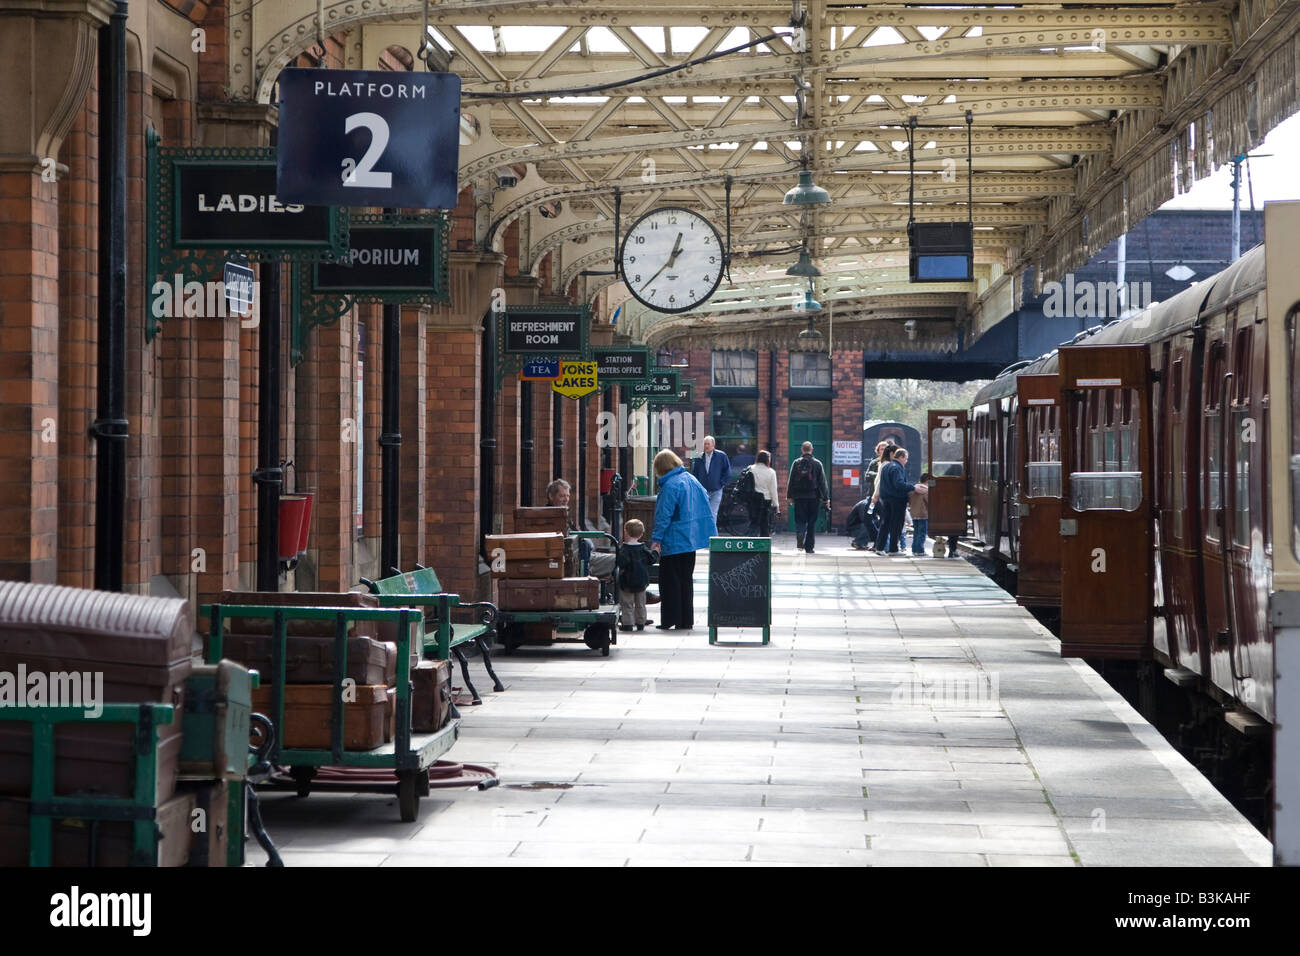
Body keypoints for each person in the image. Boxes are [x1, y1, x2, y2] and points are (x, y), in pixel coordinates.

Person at [650, 449, 716, 630]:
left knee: (669, 581)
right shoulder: (691, 480)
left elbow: (663, 516)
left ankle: (670, 619)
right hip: (691, 540)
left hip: (674, 540)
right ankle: (686, 619)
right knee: (686, 580)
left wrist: (656, 540)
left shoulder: (670, 485)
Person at [546, 478, 616, 580]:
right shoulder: (551, 516)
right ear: (551, 496)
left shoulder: (563, 514)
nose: (566, 499)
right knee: (619, 560)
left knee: (620, 559)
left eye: (568, 496)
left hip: (583, 556)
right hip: (577, 560)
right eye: (562, 496)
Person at [875, 448, 924, 555]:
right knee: (896, 525)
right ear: (901, 457)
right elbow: (899, 484)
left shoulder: (886, 466)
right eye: (906, 459)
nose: (906, 461)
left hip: (886, 499)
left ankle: (879, 548)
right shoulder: (897, 468)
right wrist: (913, 487)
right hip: (897, 500)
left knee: (885, 523)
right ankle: (893, 549)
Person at [786, 441, 830, 554]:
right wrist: (826, 498)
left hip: (799, 497)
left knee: (800, 520)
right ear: (812, 450)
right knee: (811, 522)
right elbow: (822, 482)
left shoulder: (796, 463)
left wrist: (789, 496)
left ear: (802, 450)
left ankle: (800, 535)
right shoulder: (817, 463)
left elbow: (791, 481)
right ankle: (809, 547)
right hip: (814, 497)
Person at [616, 518, 656, 631]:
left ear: (626, 532)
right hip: (641, 581)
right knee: (641, 603)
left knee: (627, 604)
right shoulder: (643, 548)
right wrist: (656, 551)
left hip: (627, 581)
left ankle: (628, 624)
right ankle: (641, 622)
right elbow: (652, 559)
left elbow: (621, 562)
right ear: (641, 534)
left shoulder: (624, 550)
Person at [691, 436, 731, 523]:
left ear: (713, 445)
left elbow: (727, 471)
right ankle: (703, 534)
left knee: (713, 514)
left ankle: (712, 535)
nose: (706, 446)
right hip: (702, 491)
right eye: (705, 444)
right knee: (702, 514)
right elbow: (695, 473)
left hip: (716, 490)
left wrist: (721, 484)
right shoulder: (699, 457)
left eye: (708, 444)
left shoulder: (721, 456)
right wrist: (697, 487)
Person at [748, 450, 780, 537]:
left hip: (752, 499)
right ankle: (763, 546)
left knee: (753, 523)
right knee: (765, 524)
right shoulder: (771, 472)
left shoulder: (750, 468)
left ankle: (750, 544)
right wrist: (776, 505)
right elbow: (773, 490)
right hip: (765, 500)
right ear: (767, 459)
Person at [909, 471, 931, 556]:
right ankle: (920, 550)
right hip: (923, 514)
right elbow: (929, 502)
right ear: (927, 481)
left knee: (916, 532)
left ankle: (914, 549)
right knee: (922, 533)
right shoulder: (926, 490)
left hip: (914, 514)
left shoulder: (913, 489)